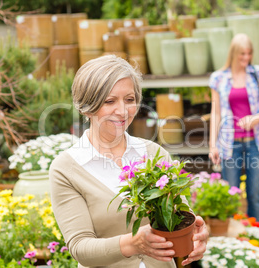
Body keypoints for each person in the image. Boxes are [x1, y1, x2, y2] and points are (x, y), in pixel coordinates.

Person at [49, 55, 208, 268]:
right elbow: (80, 247)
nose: (123, 111)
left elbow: (180, 217)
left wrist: (196, 234)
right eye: (109, 101)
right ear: (86, 107)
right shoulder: (66, 168)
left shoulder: (154, 153)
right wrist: (133, 243)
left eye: (130, 100)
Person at [208, 33, 259, 223]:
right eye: (242, 54)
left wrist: (256, 118)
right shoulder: (218, 79)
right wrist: (213, 145)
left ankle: (258, 239)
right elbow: (216, 113)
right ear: (233, 53)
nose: (246, 58)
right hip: (230, 144)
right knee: (231, 195)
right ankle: (236, 241)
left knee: (254, 194)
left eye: (249, 53)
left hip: (255, 142)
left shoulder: (258, 74)